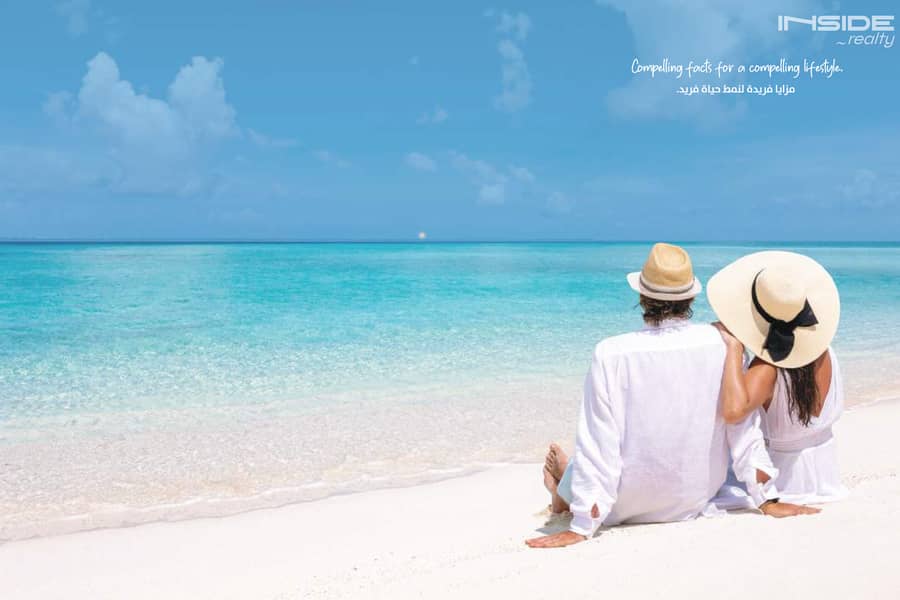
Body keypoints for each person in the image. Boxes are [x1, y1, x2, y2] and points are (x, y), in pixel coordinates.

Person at [527, 243, 817, 550]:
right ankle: (565, 483)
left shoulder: (610, 353)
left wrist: (583, 526)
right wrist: (766, 499)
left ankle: (563, 488)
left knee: (587, 461)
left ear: (642, 296)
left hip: (621, 506)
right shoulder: (722, 343)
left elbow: (599, 441)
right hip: (692, 498)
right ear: (690, 297)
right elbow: (742, 429)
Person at [709, 251, 848, 505]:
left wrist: (734, 348)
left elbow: (733, 411)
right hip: (826, 475)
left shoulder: (767, 368)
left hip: (782, 480)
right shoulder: (825, 351)